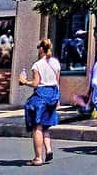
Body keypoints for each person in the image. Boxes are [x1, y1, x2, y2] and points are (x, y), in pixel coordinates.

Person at [20, 38, 62, 166]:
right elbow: (57, 82)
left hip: (41, 95)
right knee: (46, 125)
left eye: (38, 48)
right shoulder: (55, 63)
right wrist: (58, 99)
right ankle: (48, 149)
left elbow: (35, 83)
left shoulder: (37, 65)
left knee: (37, 126)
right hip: (53, 94)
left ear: (41, 49)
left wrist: (24, 82)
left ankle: (38, 158)